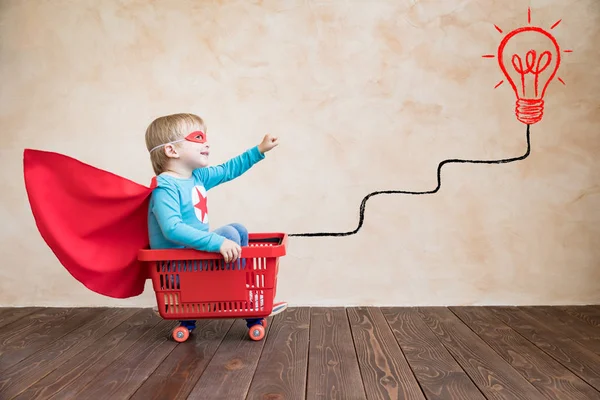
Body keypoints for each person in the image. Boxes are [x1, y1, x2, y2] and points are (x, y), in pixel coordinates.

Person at [145, 113, 287, 317]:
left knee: (238, 229)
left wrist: (259, 150)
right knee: (229, 234)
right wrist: (217, 242)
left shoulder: (197, 177)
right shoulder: (165, 187)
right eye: (198, 138)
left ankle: (244, 292)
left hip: (192, 259)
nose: (207, 144)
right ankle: (239, 298)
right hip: (175, 269)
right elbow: (172, 229)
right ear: (171, 150)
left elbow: (228, 170)